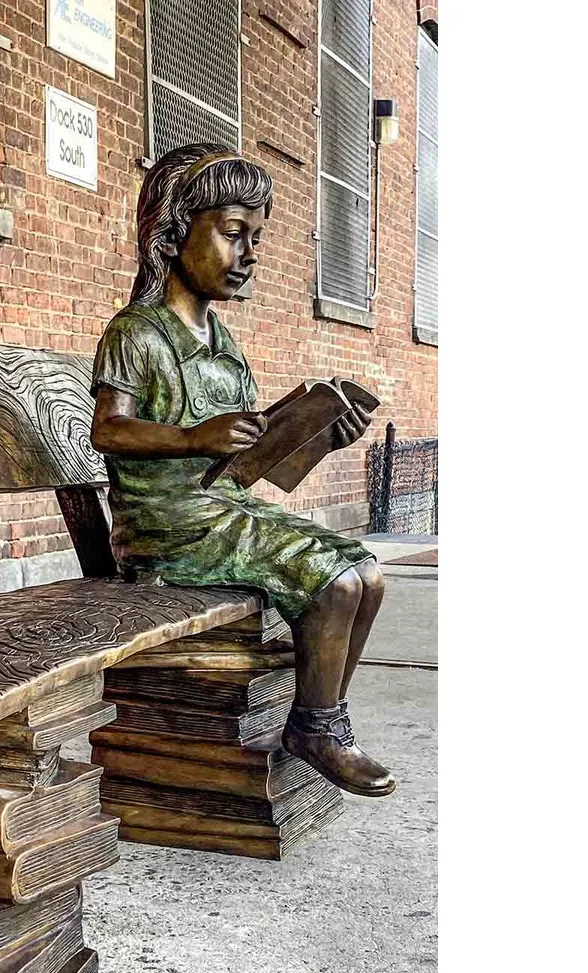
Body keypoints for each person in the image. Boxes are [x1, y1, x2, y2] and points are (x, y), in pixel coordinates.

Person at [90, 144, 394, 797]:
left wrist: (316, 438)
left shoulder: (224, 349)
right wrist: (190, 436)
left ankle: (322, 716)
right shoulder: (137, 332)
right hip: (167, 530)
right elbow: (107, 429)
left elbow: (244, 468)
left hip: (221, 513)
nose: (250, 253)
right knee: (335, 585)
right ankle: (317, 729)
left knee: (367, 572)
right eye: (233, 233)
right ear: (174, 233)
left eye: (256, 237)